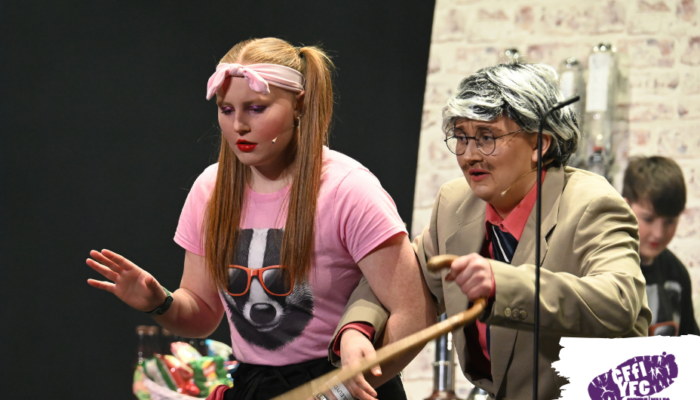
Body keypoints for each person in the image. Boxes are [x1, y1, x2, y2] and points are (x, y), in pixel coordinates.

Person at [85, 37, 435, 400]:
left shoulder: (348, 189)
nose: (238, 125)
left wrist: (340, 391)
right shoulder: (210, 190)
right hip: (257, 386)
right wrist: (160, 301)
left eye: (256, 108)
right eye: (226, 110)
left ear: (299, 105)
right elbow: (202, 314)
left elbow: (415, 314)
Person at [333, 62, 651, 400]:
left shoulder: (591, 203)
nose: (469, 155)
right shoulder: (455, 204)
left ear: (539, 145)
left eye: (487, 138)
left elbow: (620, 301)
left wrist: (505, 284)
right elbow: (401, 278)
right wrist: (357, 329)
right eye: (461, 137)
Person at [623, 155, 699, 336]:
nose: (658, 233)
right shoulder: (602, 265)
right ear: (625, 208)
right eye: (648, 219)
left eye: (670, 221)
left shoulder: (677, 273)